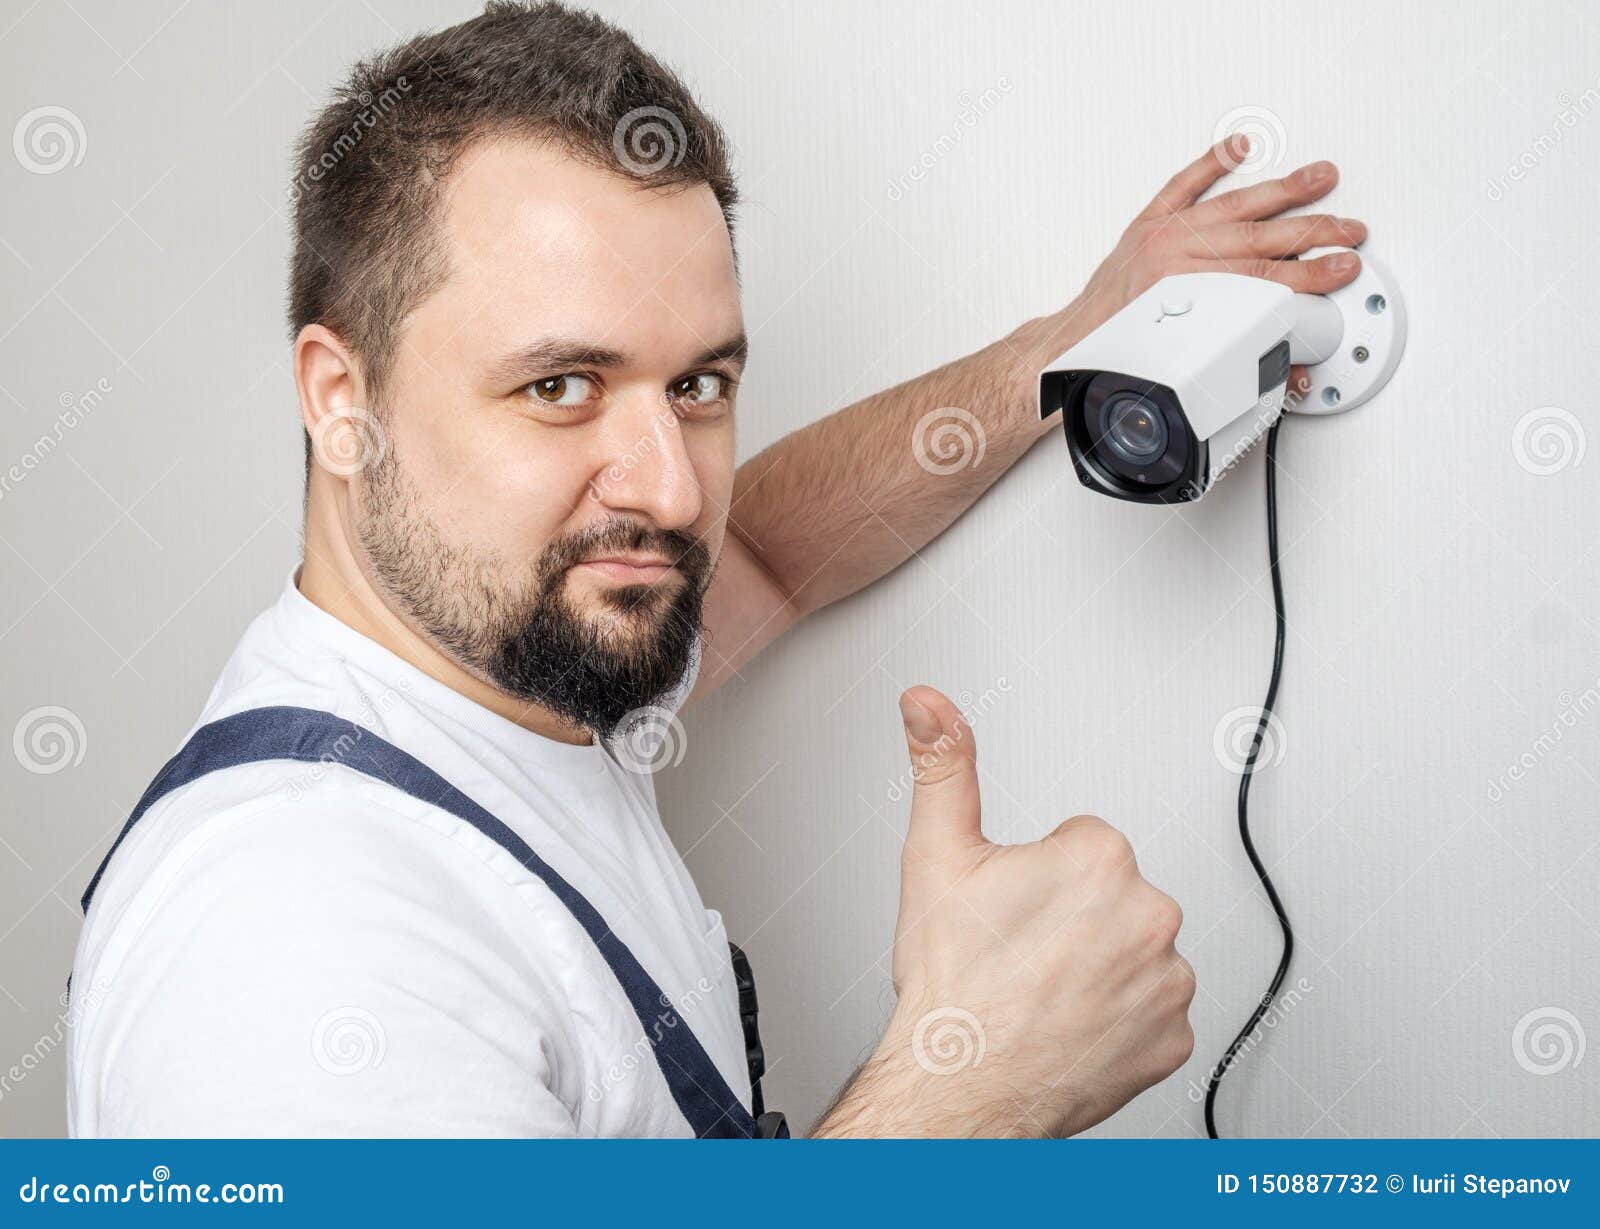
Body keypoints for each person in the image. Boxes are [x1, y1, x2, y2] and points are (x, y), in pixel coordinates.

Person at [67, 0, 1365, 1138]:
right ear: (340, 401)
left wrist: (1070, 342)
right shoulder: (292, 940)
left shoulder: (522, 666)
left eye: (698, 384)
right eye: (561, 386)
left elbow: (769, 545)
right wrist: (968, 1089)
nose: (673, 488)